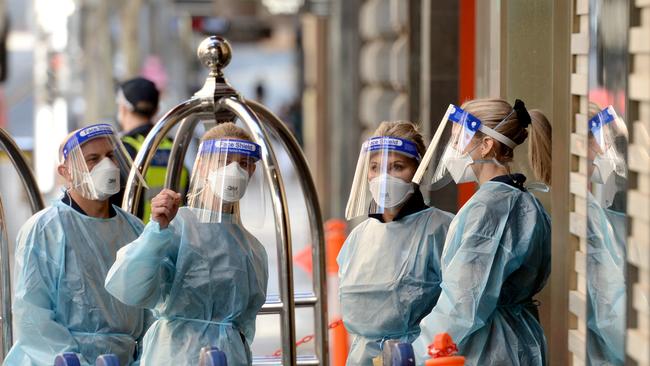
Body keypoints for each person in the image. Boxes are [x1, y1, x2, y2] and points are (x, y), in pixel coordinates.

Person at [105, 122, 269, 365]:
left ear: (252, 171)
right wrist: (156, 231)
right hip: (176, 355)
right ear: (202, 166)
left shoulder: (252, 249)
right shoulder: (177, 227)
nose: (234, 170)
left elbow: (244, 326)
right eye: (224, 161)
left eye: (243, 163)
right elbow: (127, 286)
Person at [411, 99, 552, 365]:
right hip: (516, 341)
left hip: (491, 348)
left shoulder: (491, 208)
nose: (453, 150)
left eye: (458, 140)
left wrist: (417, 352)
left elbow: (463, 302)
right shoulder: (522, 200)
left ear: (486, 146)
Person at [4, 124, 149, 366]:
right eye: (93, 159)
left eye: (110, 156)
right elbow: (32, 316)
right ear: (66, 171)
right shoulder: (45, 229)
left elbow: (149, 307)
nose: (108, 166)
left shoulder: (134, 229)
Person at [338, 121, 453, 365]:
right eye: (375, 167)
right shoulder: (358, 238)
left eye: (397, 167)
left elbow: (457, 308)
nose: (383, 178)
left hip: (418, 357)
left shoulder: (441, 230)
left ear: (418, 170)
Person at [115, 76, 188, 222]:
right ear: (157, 109)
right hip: (173, 238)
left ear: (123, 108)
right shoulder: (174, 146)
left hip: (137, 240)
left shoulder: (121, 150)